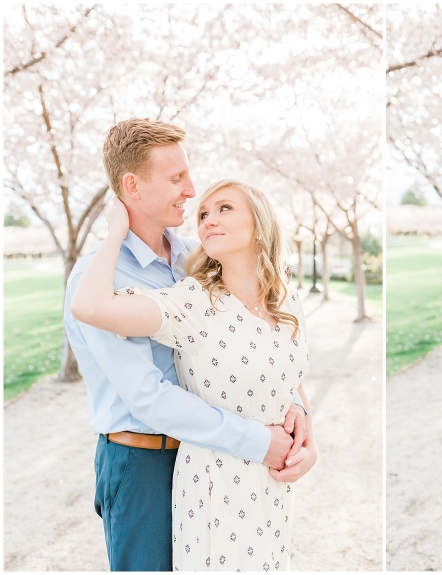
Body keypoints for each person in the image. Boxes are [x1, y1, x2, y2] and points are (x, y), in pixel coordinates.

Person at [63, 118, 314, 571]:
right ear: (132, 186)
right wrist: (260, 441)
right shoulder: (99, 276)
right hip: (142, 461)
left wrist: (299, 419)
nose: (191, 189)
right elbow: (148, 398)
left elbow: (258, 343)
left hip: (217, 457)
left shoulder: (195, 258)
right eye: (177, 178)